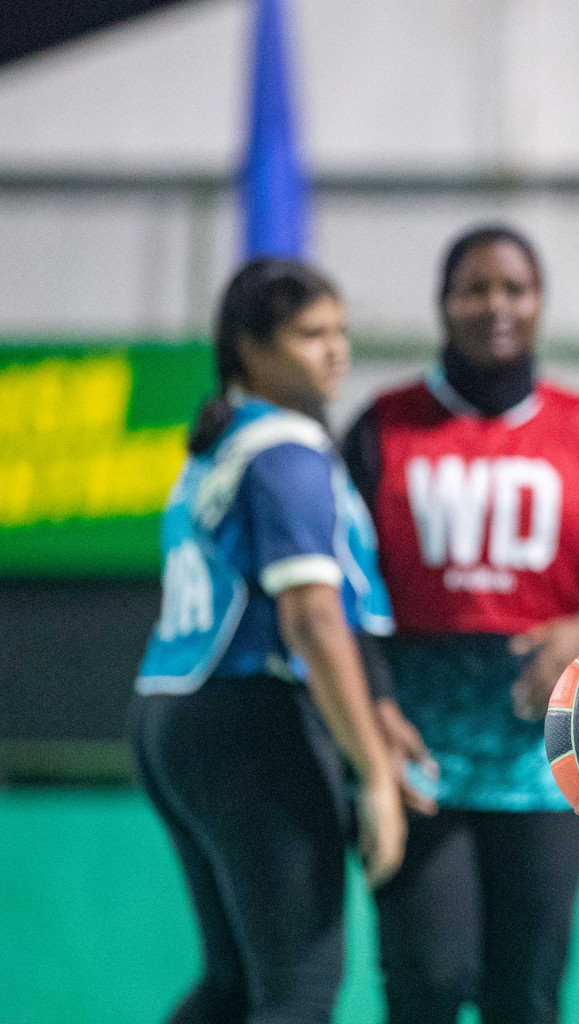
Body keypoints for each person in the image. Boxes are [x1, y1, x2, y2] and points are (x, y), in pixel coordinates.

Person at [342, 224, 579, 1024]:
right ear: (443, 304)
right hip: (413, 749)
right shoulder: (381, 429)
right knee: (429, 984)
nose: (495, 305)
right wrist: (371, 709)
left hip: (546, 756)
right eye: (474, 288)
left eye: (515, 288)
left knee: (527, 996)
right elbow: (339, 597)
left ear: (541, 302)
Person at [132, 258, 408, 1024]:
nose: (336, 351)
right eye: (310, 334)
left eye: (342, 332)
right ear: (249, 349)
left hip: (171, 715)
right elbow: (313, 619)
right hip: (248, 721)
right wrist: (375, 774)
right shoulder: (285, 448)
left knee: (233, 985)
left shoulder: (221, 444)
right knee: (298, 987)